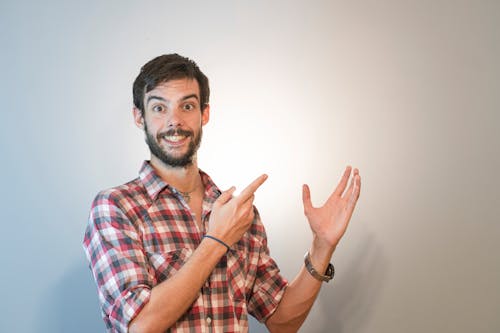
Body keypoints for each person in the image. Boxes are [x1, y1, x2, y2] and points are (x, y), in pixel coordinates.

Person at [83, 53, 361, 333]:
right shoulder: (116, 208)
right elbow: (140, 325)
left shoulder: (238, 214)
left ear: (205, 113)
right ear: (138, 116)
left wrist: (322, 246)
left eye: (187, 106)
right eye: (159, 108)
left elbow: (282, 320)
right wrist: (216, 240)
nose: (174, 121)